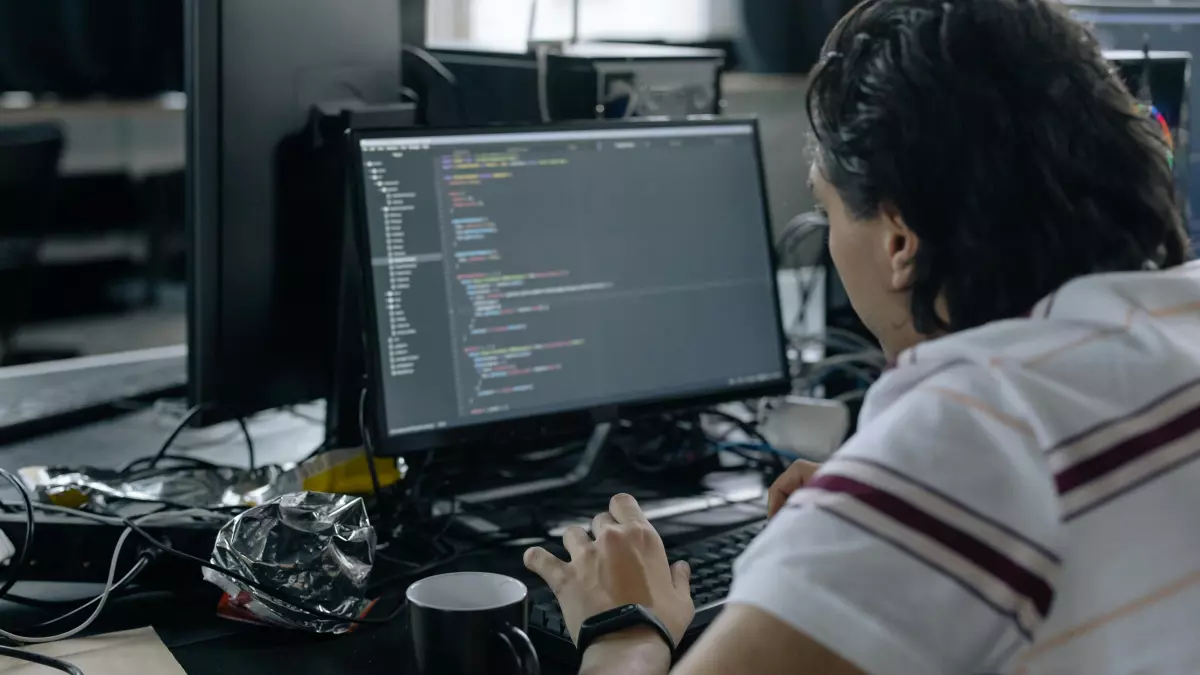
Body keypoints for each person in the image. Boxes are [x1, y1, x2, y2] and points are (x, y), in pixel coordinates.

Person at [521, 0, 1200, 673]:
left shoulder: (967, 443)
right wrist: (868, 520)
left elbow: (974, 469)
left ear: (900, 240)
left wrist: (623, 629)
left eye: (827, 209)